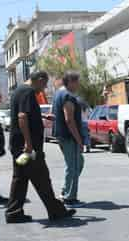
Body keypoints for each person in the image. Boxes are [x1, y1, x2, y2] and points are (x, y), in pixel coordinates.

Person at [5, 71, 76, 223]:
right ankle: (56, 210)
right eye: (44, 85)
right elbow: (22, 117)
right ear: (39, 79)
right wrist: (29, 144)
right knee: (42, 178)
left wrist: (42, 116)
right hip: (28, 147)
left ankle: (14, 212)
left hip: (17, 144)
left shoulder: (18, 91)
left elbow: (26, 114)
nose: (43, 89)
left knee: (20, 179)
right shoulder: (28, 91)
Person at [52, 71, 85, 207]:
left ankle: (65, 191)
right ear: (70, 82)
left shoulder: (59, 93)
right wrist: (79, 139)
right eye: (76, 81)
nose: (78, 84)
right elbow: (69, 120)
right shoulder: (67, 96)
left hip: (62, 135)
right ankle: (69, 198)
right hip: (69, 136)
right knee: (73, 166)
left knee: (77, 162)